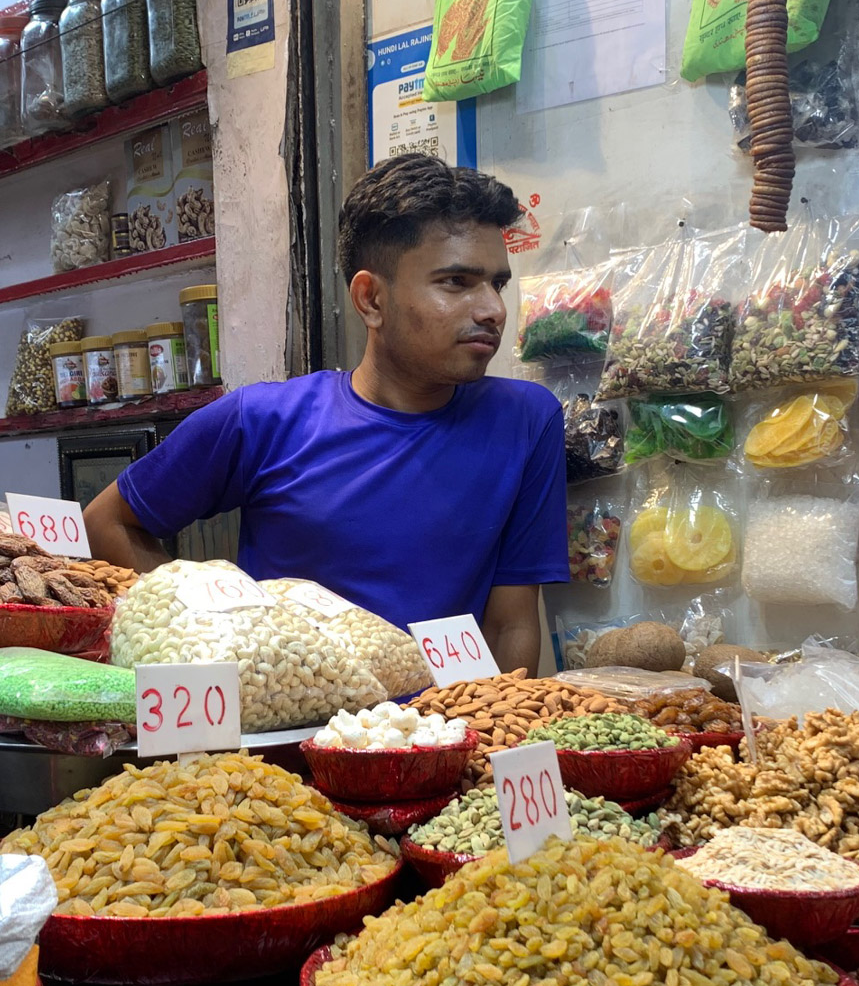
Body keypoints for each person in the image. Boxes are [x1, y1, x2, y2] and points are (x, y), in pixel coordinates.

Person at [85, 154, 568, 674]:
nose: (492, 308)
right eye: (456, 282)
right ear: (370, 300)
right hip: (290, 746)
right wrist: (207, 630)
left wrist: (488, 738)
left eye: (497, 283)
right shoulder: (262, 420)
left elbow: (511, 623)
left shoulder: (525, 421)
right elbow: (106, 522)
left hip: (445, 742)